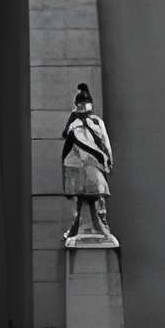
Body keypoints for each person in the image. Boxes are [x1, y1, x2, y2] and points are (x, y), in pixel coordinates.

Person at [61, 83, 114, 244]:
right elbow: (76, 141)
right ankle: (75, 228)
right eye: (80, 103)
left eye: (86, 103)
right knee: (78, 200)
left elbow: (105, 141)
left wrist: (108, 159)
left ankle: (104, 228)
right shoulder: (74, 125)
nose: (83, 106)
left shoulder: (97, 122)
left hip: (94, 165)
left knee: (99, 194)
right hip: (77, 165)